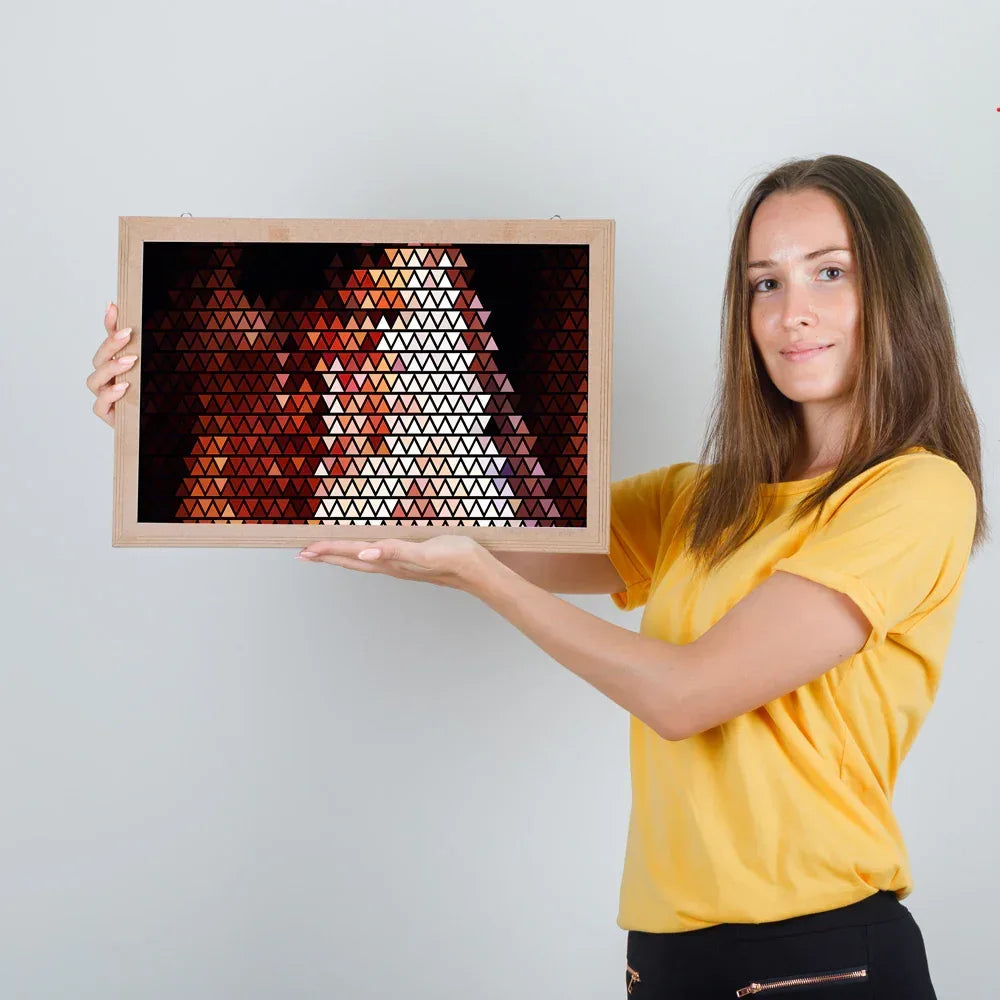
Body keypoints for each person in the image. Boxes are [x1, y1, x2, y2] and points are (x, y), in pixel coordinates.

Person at [86, 154, 986, 999]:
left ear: (895, 292)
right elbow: (468, 526)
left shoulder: (916, 493)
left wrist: (486, 579)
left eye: (830, 273)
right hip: (667, 955)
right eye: (765, 282)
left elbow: (687, 694)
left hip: (821, 959)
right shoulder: (705, 501)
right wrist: (164, 401)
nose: (793, 312)